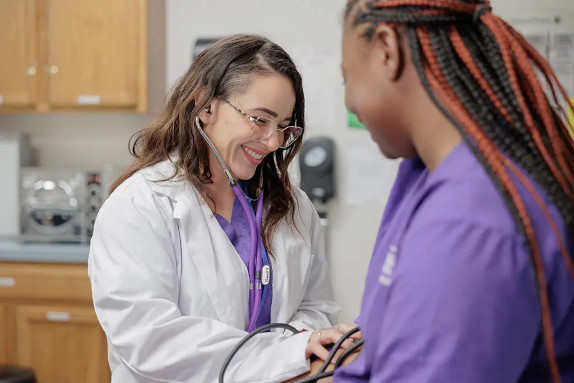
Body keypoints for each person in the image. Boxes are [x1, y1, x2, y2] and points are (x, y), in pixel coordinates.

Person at [332, 0, 574, 382]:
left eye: (347, 78)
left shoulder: (468, 222)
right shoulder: (424, 170)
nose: (349, 102)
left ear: (386, 50)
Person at [88, 34, 350, 383]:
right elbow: (149, 340)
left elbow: (317, 307)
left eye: (284, 126)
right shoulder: (140, 206)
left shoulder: (293, 207)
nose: (273, 141)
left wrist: (304, 345)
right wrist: (285, 354)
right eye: (260, 119)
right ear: (205, 106)